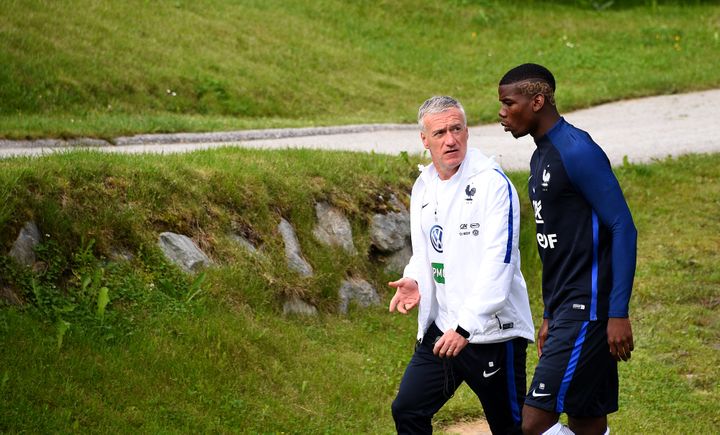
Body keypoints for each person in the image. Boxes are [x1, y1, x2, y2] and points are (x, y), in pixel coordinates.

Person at [497, 64, 637, 435]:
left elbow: (623, 227)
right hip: (566, 310)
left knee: (533, 423)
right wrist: (548, 314)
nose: (502, 112)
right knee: (587, 420)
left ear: (537, 101)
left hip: (587, 311)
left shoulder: (578, 151)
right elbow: (556, 248)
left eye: (509, 103)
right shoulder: (540, 155)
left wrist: (617, 313)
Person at [388, 95, 534, 435]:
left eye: (456, 129)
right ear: (424, 140)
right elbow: (426, 252)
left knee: (511, 428)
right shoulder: (423, 186)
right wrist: (416, 280)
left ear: (467, 131)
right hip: (444, 331)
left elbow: (499, 266)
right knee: (408, 410)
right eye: (439, 133)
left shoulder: (494, 185)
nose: (450, 139)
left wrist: (465, 328)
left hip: (493, 334)